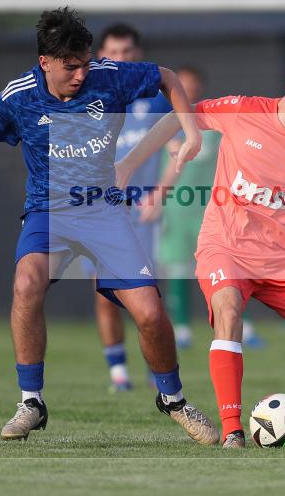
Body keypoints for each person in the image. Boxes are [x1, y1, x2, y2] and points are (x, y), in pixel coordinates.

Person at [0, 7, 219, 444]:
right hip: (48, 212)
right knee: (26, 284)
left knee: (150, 313)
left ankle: (173, 400)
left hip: (105, 212)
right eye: (71, 66)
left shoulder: (107, 76)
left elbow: (168, 77)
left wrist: (191, 134)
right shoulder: (17, 96)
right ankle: (31, 402)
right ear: (45, 62)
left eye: (85, 63)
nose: (80, 74)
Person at [118, 43, 285, 448]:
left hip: (278, 257)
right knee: (228, 314)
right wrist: (129, 164)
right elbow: (178, 116)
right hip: (224, 244)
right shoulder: (244, 110)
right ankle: (232, 431)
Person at [87, 23, 174, 393]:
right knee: (103, 289)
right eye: (113, 54)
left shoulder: (157, 99)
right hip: (101, 213)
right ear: (100, 58)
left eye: (127, 53)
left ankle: (158, 371)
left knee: (150, 296)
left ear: (138, 56)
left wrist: (161, 192)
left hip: (144, 213)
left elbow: (177, 149)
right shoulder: (86, 101)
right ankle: (118, 371)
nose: (120, 60)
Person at [157, 66, 265, 350]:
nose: (188, 90)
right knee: (179, 268)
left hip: (214, 211)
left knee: (228, 269)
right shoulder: (163, 126)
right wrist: (157, 200)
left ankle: (242, 325)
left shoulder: (215, 125)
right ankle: (181, 328)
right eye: (182, 85)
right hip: (178, 211)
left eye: (193, 85)